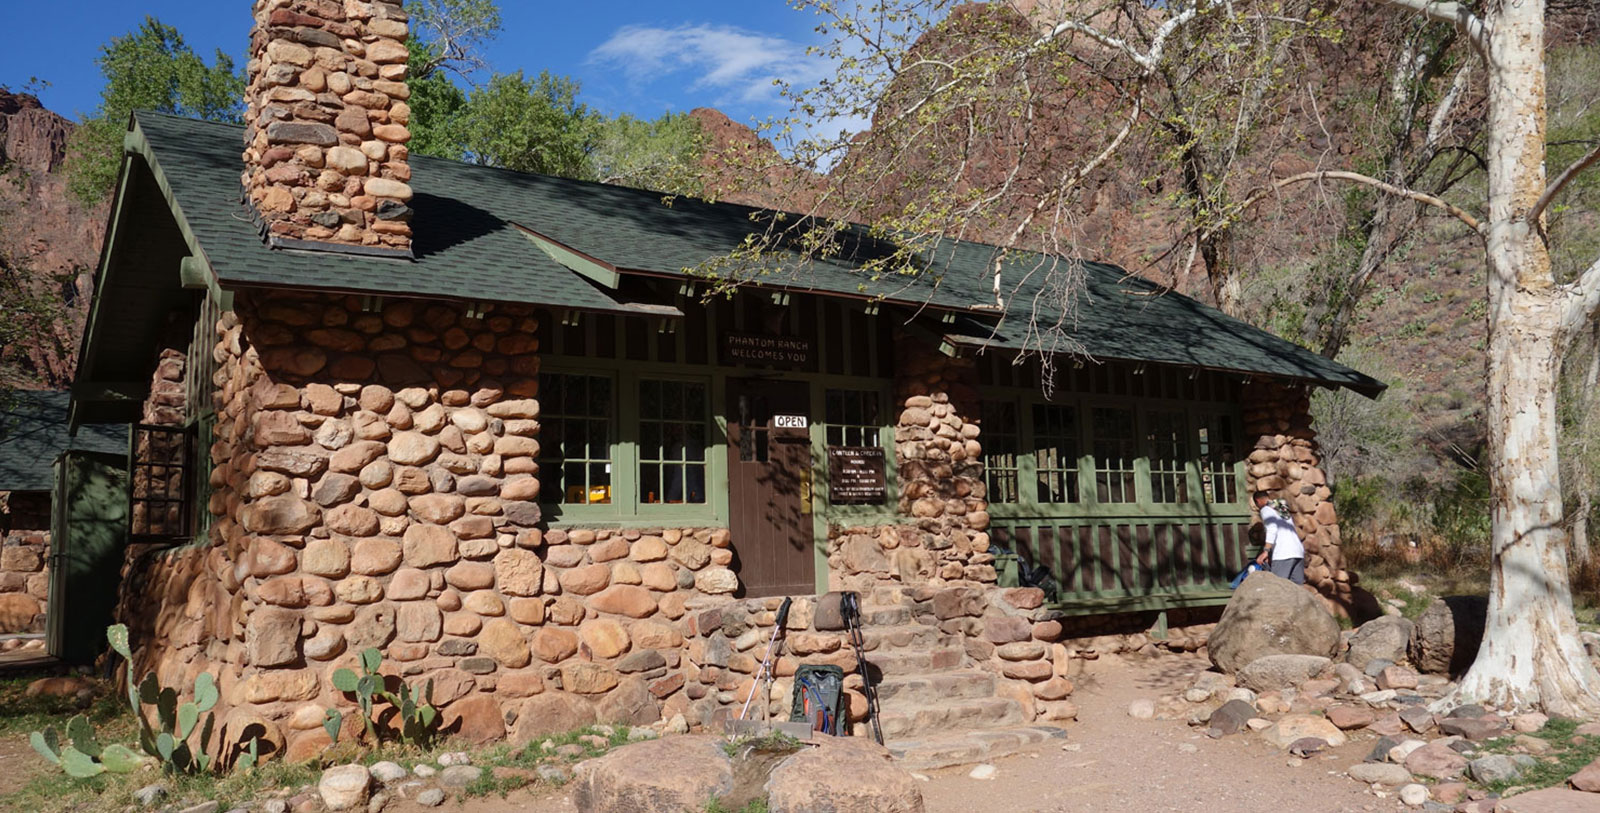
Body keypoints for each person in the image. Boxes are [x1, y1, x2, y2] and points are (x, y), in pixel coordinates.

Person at [1253, 490, 1305, 584]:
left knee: (1278, 588)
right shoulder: (1281, 507)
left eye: (1257, 505)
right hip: (1298, 552)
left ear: (1258, 501)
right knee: (1297, 590)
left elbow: (1272, 528)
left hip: (1283, 553)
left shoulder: (1265, 509)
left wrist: (1265, 551)